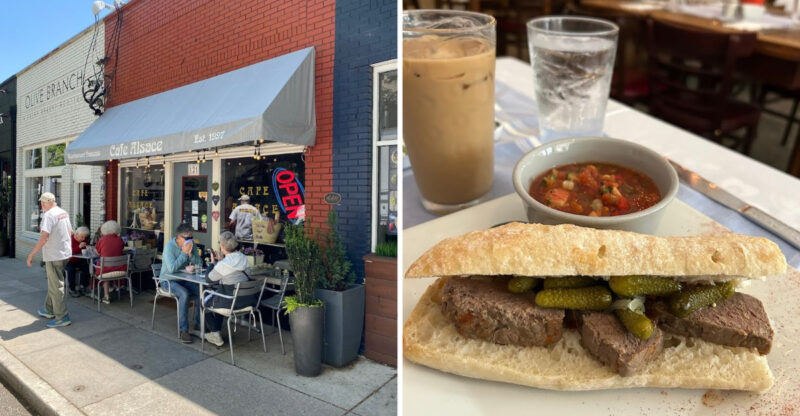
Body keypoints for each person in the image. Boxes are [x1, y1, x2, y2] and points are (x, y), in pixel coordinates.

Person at [26, 192, 73, 328]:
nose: (41, 206)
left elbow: (44, 237)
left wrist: (32, 254)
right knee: (54, 282)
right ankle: (48, 309)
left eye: (42, 203)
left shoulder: (48, 215)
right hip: (64, 253)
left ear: (45, 203)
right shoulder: (63, 212)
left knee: (56, 286)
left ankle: (62, 317)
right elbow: (70, 232)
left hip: (54, 255)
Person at [202, 231, 254, 347]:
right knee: (217, 297)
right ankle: (216, 332)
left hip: (231, 302)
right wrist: (221, 260)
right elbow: (248, 275)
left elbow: (209, 279)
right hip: (246, 300)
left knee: (203, 299)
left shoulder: (224, 264)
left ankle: (215, 333)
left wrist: (212, 263)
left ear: (222, 247)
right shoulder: (243, 258)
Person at [161, 223, 202, 343]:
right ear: (178, 237)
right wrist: (184, 254)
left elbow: (199, 263)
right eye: (187, 238)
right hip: (167, 281)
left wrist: (191, 255)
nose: (190, 240)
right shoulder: (169, 247)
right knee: (184, 294)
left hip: (184, 279)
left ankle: (199, 324)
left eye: (191, 237)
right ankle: (184, 330)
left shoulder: (191, 245)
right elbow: (172, 268)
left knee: (202, 291)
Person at [94, 221, 127, 304]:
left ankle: (106, 295)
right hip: (121, 270)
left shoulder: (102, 240)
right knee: (109, 268)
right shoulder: (119, 239)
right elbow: (122, 249)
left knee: (104, 269)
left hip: (105, 271)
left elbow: (98, 252)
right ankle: (117, 286)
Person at [66, 226, 91, 297]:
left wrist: (88, 248)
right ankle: (72, 289)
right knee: (71, 270)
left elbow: (86, 249)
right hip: (69, 260)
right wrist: (79, 247)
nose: (83, 239)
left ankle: (84, 286)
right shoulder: (69, 240)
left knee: (87, 266)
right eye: (82, 237)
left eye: (85, 237)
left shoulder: (84, 240)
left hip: (79, 260)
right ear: (76, 234)